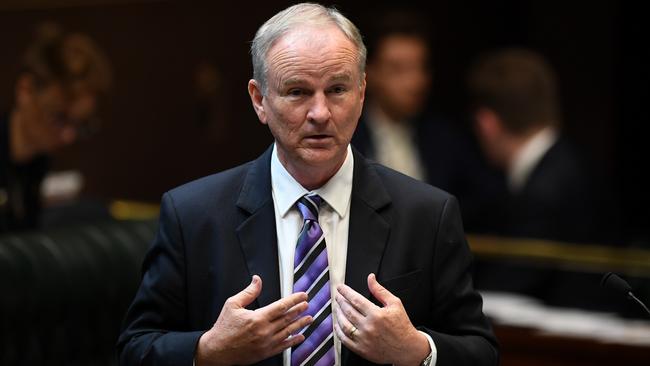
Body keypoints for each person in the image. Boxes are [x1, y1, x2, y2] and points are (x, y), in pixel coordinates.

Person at [117, 4, 497, 366]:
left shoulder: (427, 214)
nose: (320, 113)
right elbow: (136, 349)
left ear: (362, 93)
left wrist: (417, 349)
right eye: (297, 91)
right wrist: (210, 350)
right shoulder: (193, 215)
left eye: (337, 90)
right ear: (259, 100)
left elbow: (481, 351)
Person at [351, 12, 504, 233]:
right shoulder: (349, 135)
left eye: (421, 67)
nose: (415, 82)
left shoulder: (445, 138)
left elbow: (486, 201)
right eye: (398, 69)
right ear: (370, 74)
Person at [0, 23, 112, 233]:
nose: (68, 136)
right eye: (59, 117)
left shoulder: (37, 162)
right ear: (25, 91)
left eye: (80, 124)